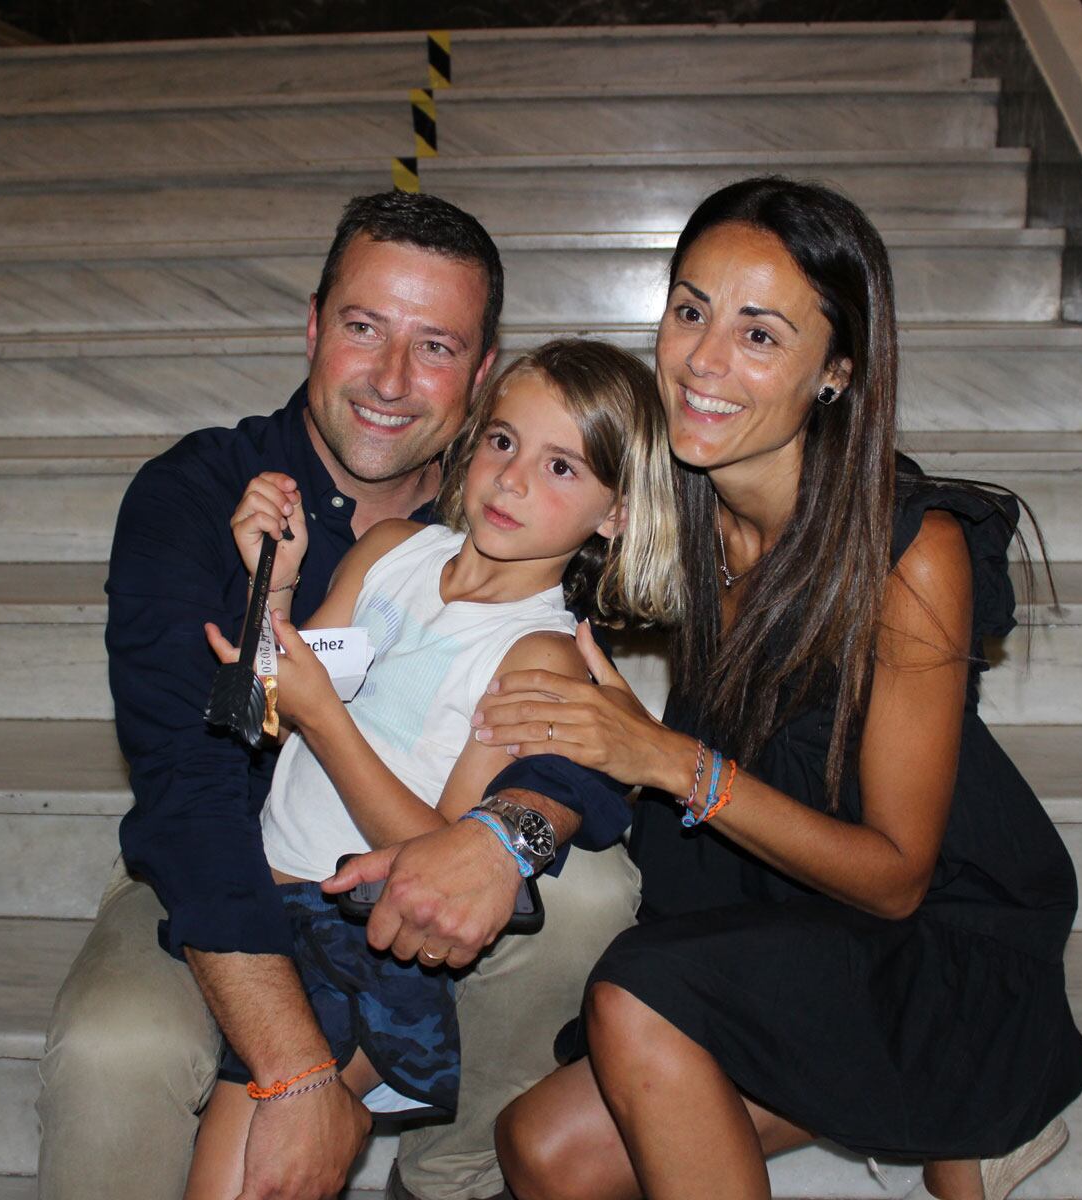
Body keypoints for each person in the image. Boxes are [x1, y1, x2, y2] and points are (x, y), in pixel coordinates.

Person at [476, 177, 1082, 1200]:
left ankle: (960, 1093)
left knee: (635, 999)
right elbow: (508, 500)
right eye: (689, 312)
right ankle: (932, 1120)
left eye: (760, 335)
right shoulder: (685, 505)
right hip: (789, 908)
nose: (703, 362)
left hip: (936, 935)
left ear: (836, 370)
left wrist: (668, 760)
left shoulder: (910, 553)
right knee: (542, 1149)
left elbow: (899, 874)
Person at [36, 192, 643, 1200]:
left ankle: (455, 1175)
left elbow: (595, 754)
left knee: (593, 889)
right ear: (315, 326)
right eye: (364, 328)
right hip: (222, 857)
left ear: (481, 373)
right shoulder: (206, 496)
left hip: (384, 904)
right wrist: (296, 1071)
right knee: (118, 1052)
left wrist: (507, 831)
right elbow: (194, 780)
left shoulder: (509, 531)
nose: (394, 381)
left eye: (436, 346)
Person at [184, 339, 683, 1199]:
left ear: (616, 515)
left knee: (248, 1175)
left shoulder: (538, 654)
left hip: (354, 941)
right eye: (501, 441)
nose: (513, 478)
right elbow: (267, 704)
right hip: (259, 899)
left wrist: (327, 721)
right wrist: (276, 582)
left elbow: (434, 866)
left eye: (561, 465)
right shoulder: (387, 551)